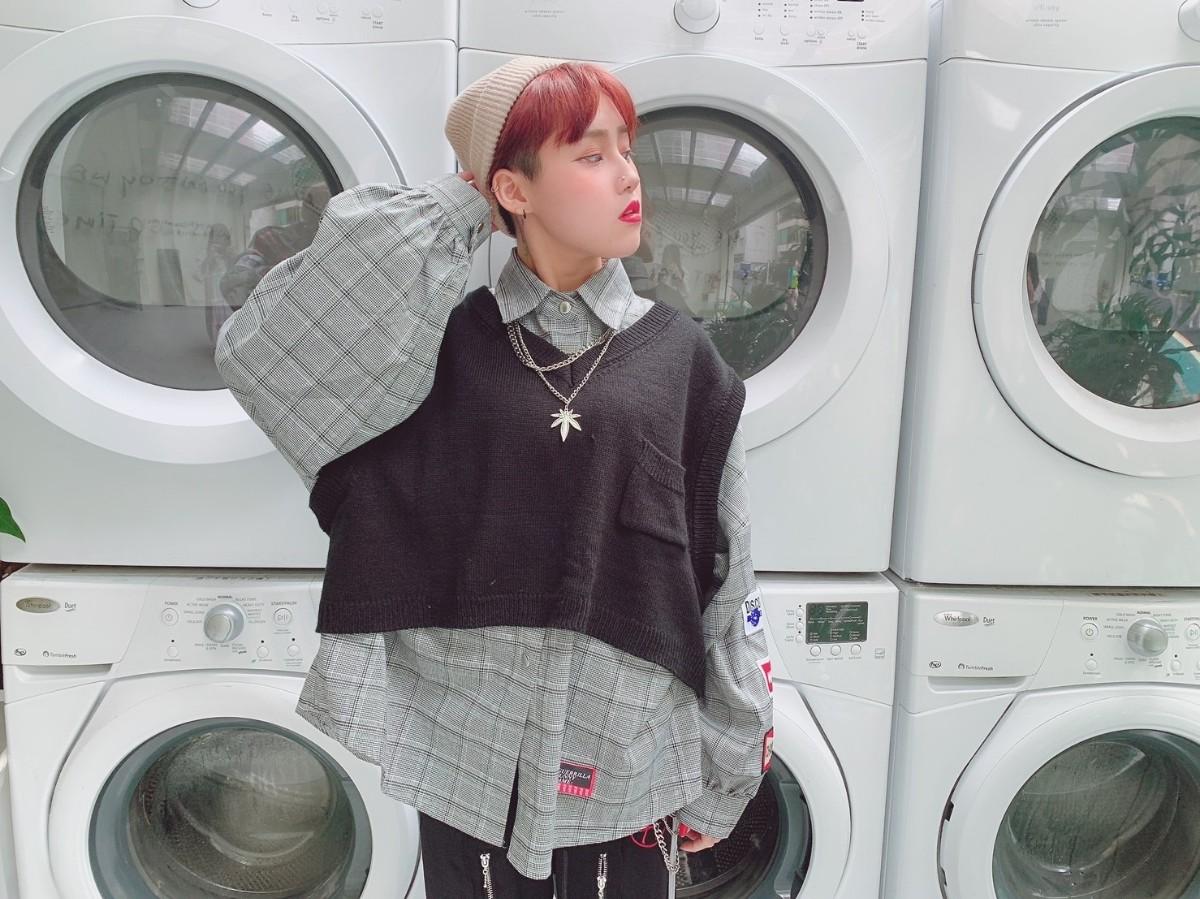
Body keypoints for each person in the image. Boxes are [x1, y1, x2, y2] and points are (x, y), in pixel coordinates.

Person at [215, 57, 772, 898]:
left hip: (629, 753)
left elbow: (728, 576)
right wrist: (468, 194)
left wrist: (731, 763)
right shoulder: (428, 353)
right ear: (512, 189)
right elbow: (266, 352)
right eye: (591, 155)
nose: (628, 174)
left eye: (626, 149)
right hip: (467, 755)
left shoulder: (683, 360)